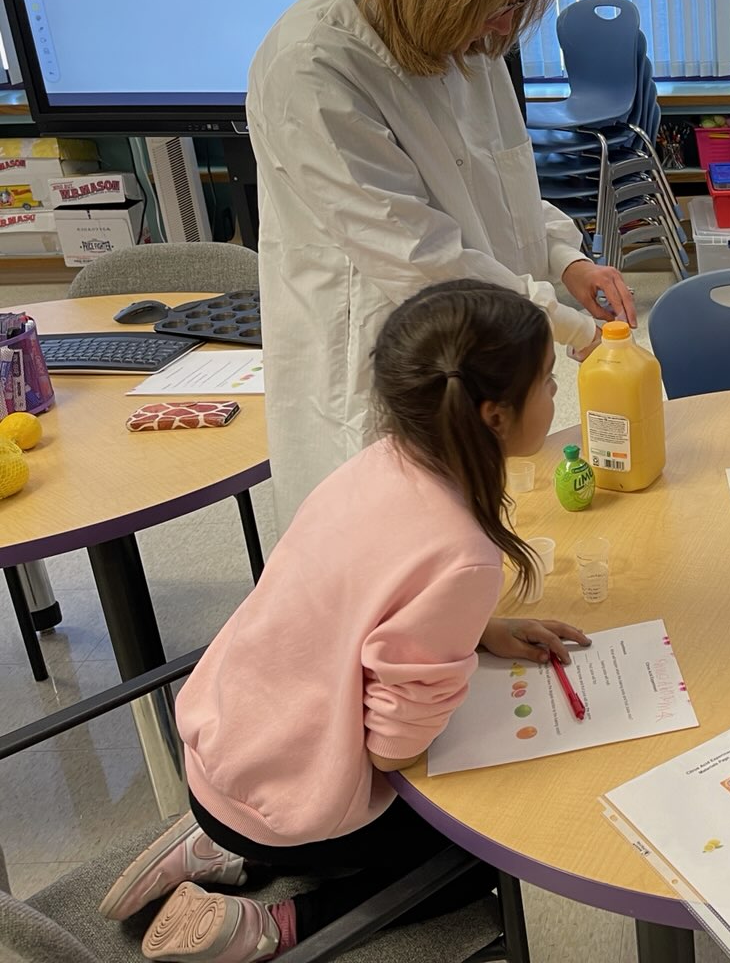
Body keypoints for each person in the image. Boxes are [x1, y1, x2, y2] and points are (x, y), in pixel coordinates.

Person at [99, 280, 589, 962]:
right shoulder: (464, 555)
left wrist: (479, 631)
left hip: (220, 749)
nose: (556, 395)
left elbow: (365, 598)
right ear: (495, 416)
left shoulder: (376, 465)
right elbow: (392, 752)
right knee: (490, 850)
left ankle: (216, 846)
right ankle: (269, 926)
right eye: (546, 383)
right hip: (289, 804)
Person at [248, 0, 635, 520]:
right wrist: (576, 332)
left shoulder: (467, 36)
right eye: (499, 3)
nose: (506, 26)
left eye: (518, 2)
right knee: (395, 563)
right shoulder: (313, 67)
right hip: (384, 368)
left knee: (474, 549)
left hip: (483, 342)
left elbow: (508, 182)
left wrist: (567, 261)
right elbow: (424, 262)